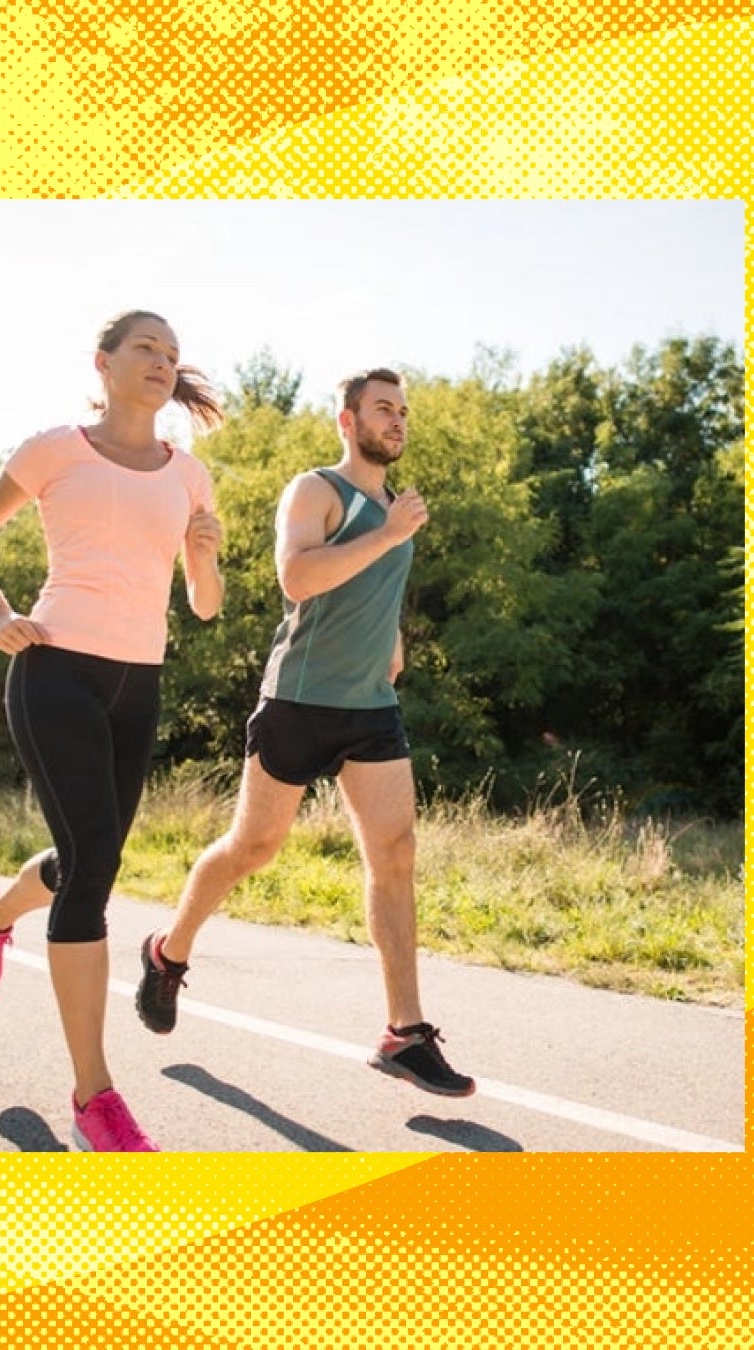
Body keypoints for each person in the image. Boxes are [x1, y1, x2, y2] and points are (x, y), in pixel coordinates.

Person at [134, 367, 474, 1098]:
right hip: (298, 700)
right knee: (252, 847)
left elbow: (376, 592)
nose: (397, 420)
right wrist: (386, 535)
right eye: (382, 408)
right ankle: (168, 954)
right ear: (347, 421)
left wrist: (390, 649)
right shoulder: (316, 489)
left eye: (403, 410)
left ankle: (404, 1033)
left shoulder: (392, 508)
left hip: (370, 706)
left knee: (395, 853)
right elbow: (297, 578)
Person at [0, 310, 224, 1151]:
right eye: (145, 348)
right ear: (102, 363)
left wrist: (203, 554)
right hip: (56, 669)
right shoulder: (53, 448)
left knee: (83, 856)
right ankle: (92, 1095)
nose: (161, 362)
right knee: (94, 866)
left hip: (138, 685)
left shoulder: (188, 477)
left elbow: (204, 607)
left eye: (172, 354)